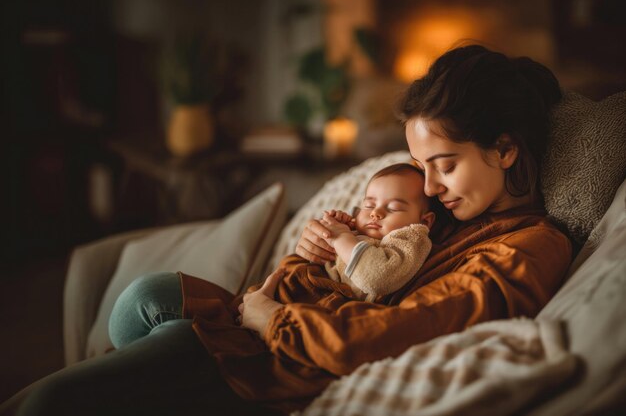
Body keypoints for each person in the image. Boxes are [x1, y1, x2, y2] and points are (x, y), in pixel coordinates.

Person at [10, 44, 573, 416]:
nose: (426, 186)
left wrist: (273, 318)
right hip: (268, 323)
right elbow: (353, 269)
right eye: (420, 165)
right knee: (145, 300)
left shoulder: (527, 248)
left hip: (273, 361)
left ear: (505, 149)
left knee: (49, 401)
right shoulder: (455, 210)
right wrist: (313, 252)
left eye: (443, 164)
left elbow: (397, 328)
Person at [317, 162, 436, 302]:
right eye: (369, 205)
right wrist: (333, 228)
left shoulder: (411, 240)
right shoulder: (354, 229)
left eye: (393, 208)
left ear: (424, 222)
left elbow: (377, 277)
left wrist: (341, 238)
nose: (375, 213)